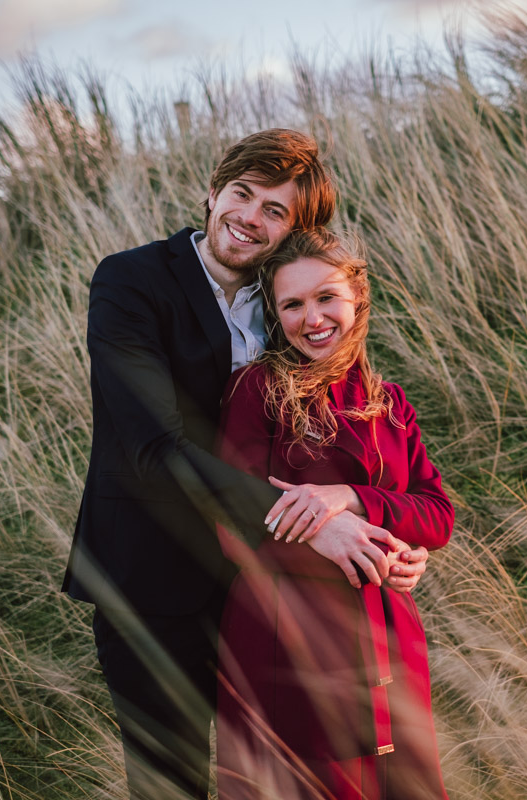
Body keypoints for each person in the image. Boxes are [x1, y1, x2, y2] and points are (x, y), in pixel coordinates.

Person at [61, 129, 432, 800]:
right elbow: (153, 447)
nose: (249, 218)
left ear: (296, 231)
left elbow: (332, 444)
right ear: (213, 191)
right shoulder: (132, 281)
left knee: (269, 778)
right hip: (154, 580)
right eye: (243, 195)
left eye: (275, 211)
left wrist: (385, 532)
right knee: (169, 781)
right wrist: (315, 523)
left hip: (267, 594)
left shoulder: (288, 301)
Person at [214, 228, 452, 799]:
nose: (312, 318)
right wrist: (324, 531)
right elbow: (230, 522)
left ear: (357, 300)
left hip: (387, 629)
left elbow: (436, 515)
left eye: (326, 297)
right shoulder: (257, 390)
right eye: (292, 304)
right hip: (287, 638)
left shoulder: (389, 401)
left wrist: (352, 499)